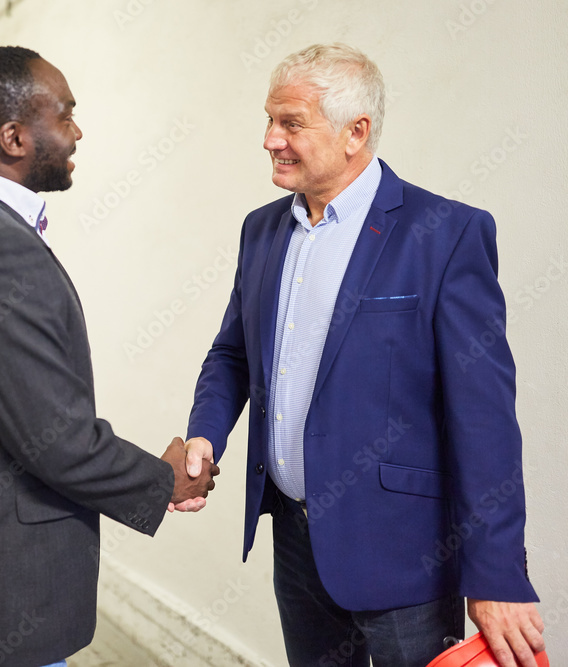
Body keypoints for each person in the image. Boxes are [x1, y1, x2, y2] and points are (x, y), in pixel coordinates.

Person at [180, 44, 545, 666]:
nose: (270, 139)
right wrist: (204, 433)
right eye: (269, 120)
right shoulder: (261, 230)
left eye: (291, 123)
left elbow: (484, 421)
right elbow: (233, 353)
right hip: (295, 542)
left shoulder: (447, 235)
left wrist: (496, 574)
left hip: (407, 557)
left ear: (357, 133)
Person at [0, 46, 217, 667]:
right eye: (64, 115)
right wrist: (162, 479)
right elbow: (53, 439)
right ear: (14, 137)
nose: (77, 131)